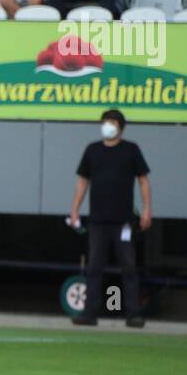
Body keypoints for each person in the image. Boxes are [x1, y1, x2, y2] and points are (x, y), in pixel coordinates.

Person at [69, 109, 152, 328]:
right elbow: (82, 181)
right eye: (105, 121)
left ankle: (133, 314)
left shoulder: (131, 150)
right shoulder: (92, 150)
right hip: (97, 220)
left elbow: (143, 180)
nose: (108, 125)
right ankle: (89, 313)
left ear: (121, 127)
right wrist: (75, 209)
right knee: (94, 267)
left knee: (129, 268)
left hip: (123, 221)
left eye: (112, 122)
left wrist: (146, 210)